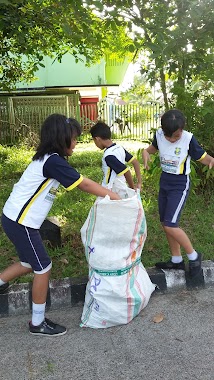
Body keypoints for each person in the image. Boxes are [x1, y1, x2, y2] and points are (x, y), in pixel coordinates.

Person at [0, 114, 120, 336]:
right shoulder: (53, 161)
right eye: (73, 138)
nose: (76, 143)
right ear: (61, 138)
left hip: (13, 218)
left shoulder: (49, 158)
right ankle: (37, 323)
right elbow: (83, 184)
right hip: (21, 222)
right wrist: (113, 195)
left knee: (28, 262)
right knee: (43, 267)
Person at [142, 109, 214, 277]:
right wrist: (146, 153)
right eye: (169, 136)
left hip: (180, 184)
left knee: (170, 224)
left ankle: (194, 256)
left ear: (182, 129)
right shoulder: (160, 135)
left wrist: (210, 161)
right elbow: (151, 149)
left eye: (176, 136)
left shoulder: (188, 139)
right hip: (165, 182)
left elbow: (203, 157)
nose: (172, 139)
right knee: (165, 223)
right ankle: (176, 260)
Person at [90, 121, 142, 190]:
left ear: (97, 139)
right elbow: (135, 162)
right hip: (121, 186)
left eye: (94, 141)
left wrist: (132, 188)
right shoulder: (119, 148)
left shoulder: (108, 156)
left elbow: (126, 171)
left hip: (111, 190)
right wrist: (139, 182)